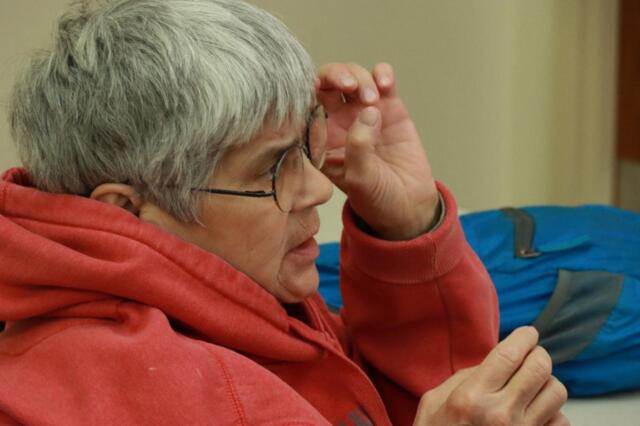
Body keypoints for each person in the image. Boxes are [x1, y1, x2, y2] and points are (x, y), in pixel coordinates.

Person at [0, 0, 569, 424]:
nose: (319, 189)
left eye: (308, 144)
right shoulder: (155, 388)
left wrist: (405, 227)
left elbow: (420, 402)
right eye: (272, 167)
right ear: (129, 212)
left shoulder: (232, 288)